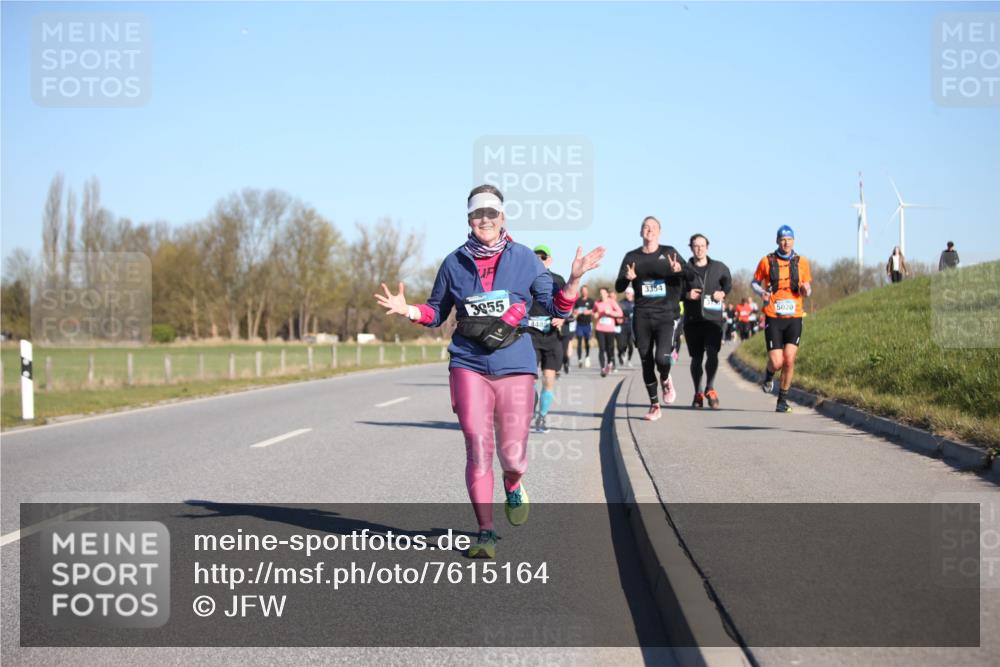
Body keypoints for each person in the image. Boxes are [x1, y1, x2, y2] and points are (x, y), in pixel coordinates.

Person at [375, 184, 604, 558]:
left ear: (503, 217)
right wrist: (410, 311)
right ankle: (485, 532)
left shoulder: (526, 259)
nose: (485, 220)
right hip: (468, 363)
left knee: (512, 456)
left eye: (491, 213)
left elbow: (557, 310)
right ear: (468, 218)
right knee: (478, 447)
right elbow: (436, 312)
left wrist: (575, 279)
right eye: (477, 214)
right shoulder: (453, 263)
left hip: (514, 364)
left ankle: (513, 484)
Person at [615, 216, 686, 421]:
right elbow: (619, 287)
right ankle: (655, 405)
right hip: (642, 315)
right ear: (640, 232)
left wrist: (679, 271)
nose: (649, 230)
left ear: (659, 232)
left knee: (661, 358)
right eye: (645, 227)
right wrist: (626, 279)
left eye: (653, 227)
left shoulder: (669, 252)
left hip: (664, 315)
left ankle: (665, 377)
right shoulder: (631, 256)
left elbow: (689, 276)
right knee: (646, 360)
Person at [751, 225, 813, 413]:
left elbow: (808, 287)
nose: (786, 243)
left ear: (794, 241)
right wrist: (762, 292)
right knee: (777, 362)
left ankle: (782, 400)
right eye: (782, 239)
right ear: (777, 241)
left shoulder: (802, 261)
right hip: (773, 316)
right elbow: (754, 282)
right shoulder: (767, 261)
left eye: (789, 239)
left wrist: (805, 291)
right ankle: (769, 375)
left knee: (789, 360)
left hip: (794, 316)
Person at [681, 234, 732, 409]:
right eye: (696, 246)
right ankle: (698, 393)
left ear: (707, 247)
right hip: (692, 321)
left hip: (713, 320)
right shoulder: (684, 269)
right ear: (691, 248)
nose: (699, 249)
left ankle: (710, 388)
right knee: (696, 358)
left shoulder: (719, 267)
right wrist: (687, 295)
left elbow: (728, 283)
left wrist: (723, 293)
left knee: (712, 353)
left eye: (702, 246)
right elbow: (675, 292)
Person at [527, 244, 566, 433]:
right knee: (529, 380)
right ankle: (528, 411)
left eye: (543, 257)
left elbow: (567, 305)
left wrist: (562, 318)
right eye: (536, 257)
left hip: (551, 336)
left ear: (549, 260)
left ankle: (541, 416)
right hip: (530, 336)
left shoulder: (558, 280)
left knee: (549, 379)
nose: (539, 260)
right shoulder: (523, 279)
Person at [594, 287, 624, 377]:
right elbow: (594, 312)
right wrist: (595, 314)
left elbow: (620, 313)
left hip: (610, 330)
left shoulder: (612, 302)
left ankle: (610, 363)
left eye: (603, 293)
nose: (602, 294)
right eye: (600, 293)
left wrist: (610, 312)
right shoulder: (597, 303)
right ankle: (602, 368)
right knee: (601, 348)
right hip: (600, 329)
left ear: (607, 294)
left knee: (609, 348)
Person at [573, 286, 595, 368]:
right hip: (579, 324)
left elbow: (595, 311)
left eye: (586, 290)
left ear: (588, 291)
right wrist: (576, 312)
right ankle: (579, 360)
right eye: (583, 291)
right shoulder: (578, 301)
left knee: (587, 341)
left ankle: (587, 357)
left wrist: (589, 311)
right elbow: (574, 311)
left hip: (587, 324)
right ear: (581, 291)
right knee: (579, 341)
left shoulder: (591, 301)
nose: (584, 292)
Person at [617, 286, 636, 366]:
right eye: (626, 293)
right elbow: (618, 312)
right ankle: (622, 353)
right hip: (623, 325)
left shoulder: (636, 302)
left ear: (632, 294)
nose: (627, 295)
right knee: (622, 344)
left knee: (631, 345)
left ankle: (629, 360)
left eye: (628, 293)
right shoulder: (622, 303)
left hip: (632, 326)